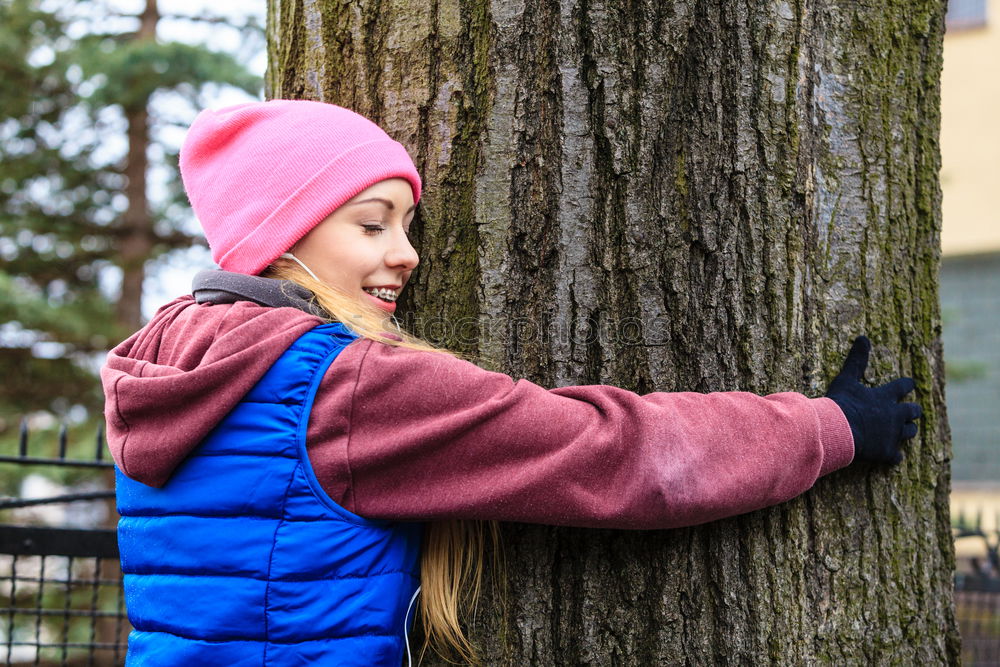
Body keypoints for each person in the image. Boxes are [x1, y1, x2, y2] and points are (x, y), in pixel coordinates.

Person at [101, 99, 922, 666]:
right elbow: (618, 456)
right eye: (372, 222)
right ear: (280, 233)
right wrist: (828, 427)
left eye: (407, 224)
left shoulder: (171, 360)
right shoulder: (340, 386)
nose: (407, 253)